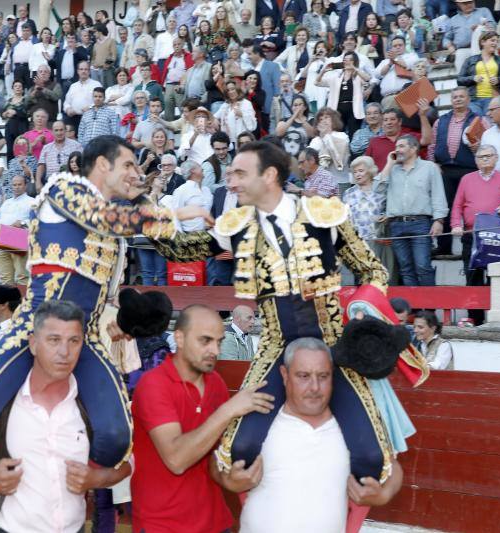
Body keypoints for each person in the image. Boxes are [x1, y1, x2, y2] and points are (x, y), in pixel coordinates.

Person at [153, 141, 411, 513]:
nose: (231, 180)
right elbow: (179, 250)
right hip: (277, 347)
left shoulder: (325, 214)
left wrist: (360, 314)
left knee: (372, 459)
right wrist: (157, 212)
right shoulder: (237, 224)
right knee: (239, 452)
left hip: (335, 345)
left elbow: (373, 270)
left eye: (240, 173)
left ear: (270, 176)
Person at [0, 136, 209, 479]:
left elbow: (177, 248)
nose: (136, 174)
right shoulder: (64, 188)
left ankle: (58, 484)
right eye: (129, 165)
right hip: (35, 327)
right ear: (103, 165)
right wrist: (169, 213)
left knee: (116, 439)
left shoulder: (123, 217)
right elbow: (102, 217)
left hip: (85, 335)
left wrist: (229, 234)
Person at [0, 300, 132, 532]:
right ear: (33, 344)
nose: (64, 352)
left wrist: (96, 479)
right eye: (53, 340)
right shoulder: (2, 400)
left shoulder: (90, 404)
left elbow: (127, 463)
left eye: (74, 341)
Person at [131, 304, 274, 532]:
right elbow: (176, 460)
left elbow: (212, 456)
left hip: (216, 521)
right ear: (179, 338)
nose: (215, 350)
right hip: (163, 524)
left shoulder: (215, 382)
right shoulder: (153, 385)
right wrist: (228, 411)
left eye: (219, 341)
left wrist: (230, 480)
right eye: (205, 341)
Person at [238, 337, 404, 532]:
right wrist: (228, 480)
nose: (315, 387)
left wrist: (384, 494)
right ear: (285, 374)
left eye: (323, 376)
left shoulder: (350, 427)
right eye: (303, 376)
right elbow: (218, 464)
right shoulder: (261, 421)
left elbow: (393, 467)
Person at [451, 145, 500, 325]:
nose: (485, 159)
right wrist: (456, 224)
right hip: (471, 235)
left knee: (496, 275)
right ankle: (475, 317)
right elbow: (457, 205)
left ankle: (499, 317)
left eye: (489, 156)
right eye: (481, 157)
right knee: (472, 275)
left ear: (496, 158)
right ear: (475, 161)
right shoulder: (466, 179)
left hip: (496, 235)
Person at [379, 134, 448, 286]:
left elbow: (438, 194)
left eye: (402, 146)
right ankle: (414, 308)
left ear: (414, 148)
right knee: (405, 269)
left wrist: (439, 220)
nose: (398, 150)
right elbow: (378, 189)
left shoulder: (429, 167)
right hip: (396, 224)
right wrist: (389, 164)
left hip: (420, 223)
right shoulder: (393, 170)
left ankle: (429, 308)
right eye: (396, 147)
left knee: (423, 266)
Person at [426, 87, 480, 256]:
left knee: (470, 207)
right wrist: (432, 163)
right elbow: (432, 145)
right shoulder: (440, 121)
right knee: (444, 207)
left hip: (469, 170)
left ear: (468, 99)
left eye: (461, 96)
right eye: (455, 97)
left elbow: (484, 145)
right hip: (445, 170)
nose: (457, 99)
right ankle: (444, 245)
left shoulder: (478, 120)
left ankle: (470, 245)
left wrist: (477, 148)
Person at [343, 155, 397, 284]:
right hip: (357, 243)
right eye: (355, 172)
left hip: (377, 241)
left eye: (361, 171)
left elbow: (391, 207)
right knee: (361, 278)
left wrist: (386, 216)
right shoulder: (349, 193)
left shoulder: (380, 189)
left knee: (381, 276)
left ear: (370, 171)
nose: (357, 175)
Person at [456, 31, 500, 116]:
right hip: (474, 100)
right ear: (483, 42)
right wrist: (473, 78)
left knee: (489, 122)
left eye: (497, 41)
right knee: (476, 123)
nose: (495, 43)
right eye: (492, 40)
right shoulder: (470, 60)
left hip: (493, 99)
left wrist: (498, 80)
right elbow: (460, 80)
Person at [316, 51, 371, 137]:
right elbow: (317, 83)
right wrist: (323, 71)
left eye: (350, 60)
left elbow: (368, 79)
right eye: (345, 60)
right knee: (337, 134)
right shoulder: (336, 77)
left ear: (355, 61)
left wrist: (355, 68)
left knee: (353, 134)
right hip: (338, 110)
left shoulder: (358, 76)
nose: (347, 62)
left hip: (353, 109)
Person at [0, 175, 34, 285]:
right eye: (14, 185)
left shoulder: (32, 201)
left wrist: (22, 223)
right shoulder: (7, 202)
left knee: (22, 275)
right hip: (3, 236)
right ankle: (8, 301)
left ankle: (23, 301)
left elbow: (37, 220)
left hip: (19, 236)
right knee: (5, 276)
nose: (16, 187)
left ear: (25, 186)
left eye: (19, 184)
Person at [443, 0, 496, 73]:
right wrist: (449, 46)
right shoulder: (453, 20)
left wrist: (481, 27)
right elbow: (446, 38)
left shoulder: (484, 11)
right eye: (465, 3)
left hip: (482, 49)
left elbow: (493, 27)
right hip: (462, 51)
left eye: (471, 2)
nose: (469, 4)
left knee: (485, 74)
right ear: (458, 4)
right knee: (463, 76)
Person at [35, 121, 83, 187]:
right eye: (56, 130)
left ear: (65, 131)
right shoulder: (46, 148)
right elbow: (41, 166)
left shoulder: (76, 145)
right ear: (52, 132)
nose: (59, 133)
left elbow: (82, 165)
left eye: (61, 130)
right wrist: (38, 182)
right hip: (50, 183)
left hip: (71, 183)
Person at [174, 160, 213, 232]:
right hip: (190, 236)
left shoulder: (206, 190)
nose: (202, 168)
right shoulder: (181, 191)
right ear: (192, 171)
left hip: (209, 234)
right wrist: (181, 239)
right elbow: (175, 216)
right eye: (199, 166)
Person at [63, 61, 103, 129]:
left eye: (86, 69)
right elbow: (66, 102)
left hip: (90, 119)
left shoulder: (96, 85)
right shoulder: (73, 86)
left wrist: (90, 108)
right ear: (78, 71)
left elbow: (102, 101)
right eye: (81, 69)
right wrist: (68, 109)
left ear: (89, 71)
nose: (83, 71)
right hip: (73, 119)